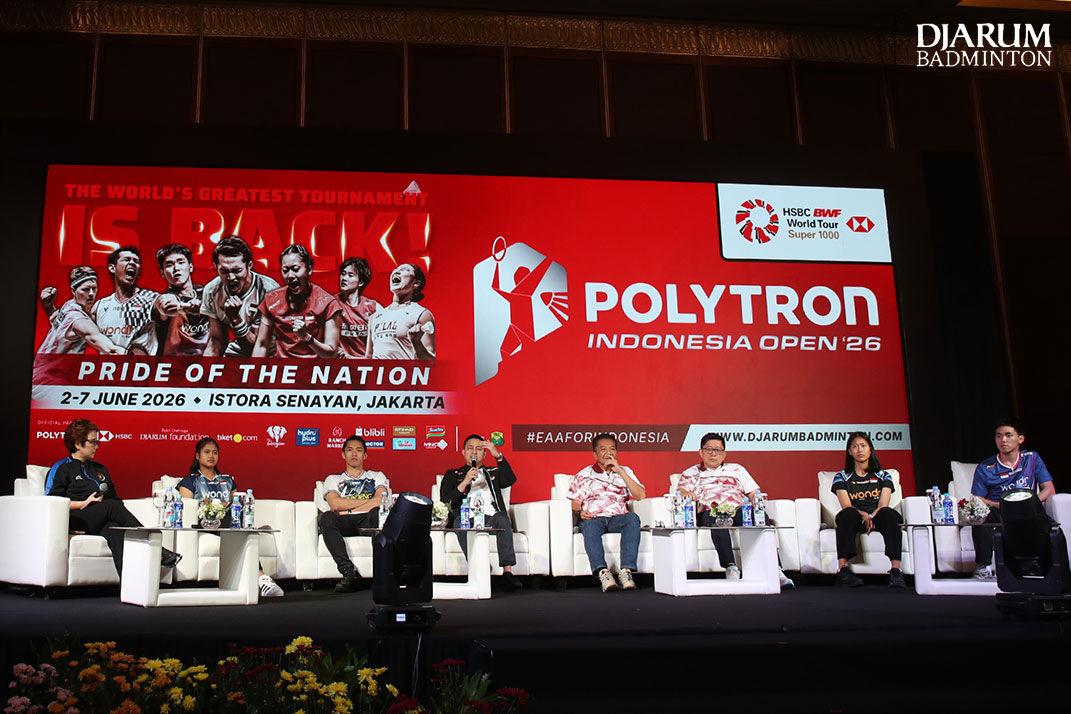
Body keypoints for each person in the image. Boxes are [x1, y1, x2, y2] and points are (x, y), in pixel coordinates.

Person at [45, 418, 180, 576]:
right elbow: (54, 503)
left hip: (101, 518)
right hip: (76, 518)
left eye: (97, 442)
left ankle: (129, 584)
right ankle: (157, 549)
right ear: (77, 444)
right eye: (93, 442)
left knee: (114, 530)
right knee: (110, 506)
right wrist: (83, 503)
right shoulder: (61, 469)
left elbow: (115, 499)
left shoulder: (100, 469)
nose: (97, 446)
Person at [676, 433, 794, 587]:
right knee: (718, 518)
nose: (713, 454)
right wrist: (687, 494)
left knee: (758, 516)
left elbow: (754, 492)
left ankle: (775, 569)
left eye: (718, 450)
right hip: (709, 509)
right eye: (709, 449)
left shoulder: (737, 469)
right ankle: (731, 568)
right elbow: (681, 491)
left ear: (724, 453)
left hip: (737, 508)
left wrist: (756, 504)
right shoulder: (691, 473)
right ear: (701, 452)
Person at [176, 437, 284, 598]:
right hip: (203, 523)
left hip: (227, 522)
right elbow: (187, 510)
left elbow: (237, 504)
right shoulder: (190, 481)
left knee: (237, 523)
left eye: (215, 453)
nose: (211, 456)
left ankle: (261, 580)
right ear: (198, 456)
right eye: (207, 452)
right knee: (238, 527)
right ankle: (261, 577)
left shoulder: (227, 481)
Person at [969, 417, 1055, 581]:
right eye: (999, 436)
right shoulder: (985, 467)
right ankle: (984, 567)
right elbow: (977, 499)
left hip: (1028, 509)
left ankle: (1047, 567)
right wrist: (994, 504)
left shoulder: (1031, 458)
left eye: (1008, 435)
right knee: (980, 517)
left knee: (1047, 522)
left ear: (1020, 439)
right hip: (1000, 510)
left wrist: (1029, 503)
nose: (1003, 440)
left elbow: (1049, 489)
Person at [440, 434, 522, 591]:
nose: (474, 452)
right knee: (459, 522)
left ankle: (507, 572)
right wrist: (465, 482)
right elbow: (446, 502)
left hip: (491, 518)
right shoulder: (452, 474)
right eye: (470, 448)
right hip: (466, 517)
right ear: (463, 452)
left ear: (484, 454)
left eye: (479, 449)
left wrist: (497, 455)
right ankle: (482, 568)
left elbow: (509, 480)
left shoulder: (493, 472)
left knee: (502, 518)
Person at [567, 433, 645, 592]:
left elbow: (640, 495)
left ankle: (626, 571)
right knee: (588, 525)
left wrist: (620, 471)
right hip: (594, 518)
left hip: (618, 518)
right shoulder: (585, 474)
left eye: (612, 449)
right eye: (603, 449)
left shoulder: (626, 471)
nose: (608, 453)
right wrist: (581, 513)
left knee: (632, 518)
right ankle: (603, 572)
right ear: (595, 454)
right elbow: (575, 503)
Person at [830, 432, 905, 588]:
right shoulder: (841, 477)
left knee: (888, 513)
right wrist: (863, 515)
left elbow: (883, 504)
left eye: (863, 446)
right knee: (847, 514)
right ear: (850, 451)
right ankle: (843, 570)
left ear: (870, 450)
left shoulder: (884, 476)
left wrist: (871, 516)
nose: (860, 450)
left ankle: (896, 570)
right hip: (855, 516)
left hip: (878, 515)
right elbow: (846, 505)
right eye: (855, 446)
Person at [318, 435, 389, 593]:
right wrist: (368, 502)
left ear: (365, 455)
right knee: (327, 517)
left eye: (359, 450)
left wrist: (350, 509)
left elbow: (380, 501)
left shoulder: (377, 476)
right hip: (346, 523)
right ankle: (348, 572)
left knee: (377, 513)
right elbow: (335, 504)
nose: (354, 454)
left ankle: (382, 573)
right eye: (350, 450)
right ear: (343, 454)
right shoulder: (333, 479)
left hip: (369, 520)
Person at [252, 244, 342, 358]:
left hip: (314, 367)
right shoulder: (271, 299)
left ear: (309, 270)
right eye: (285, 270)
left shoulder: (328, 303)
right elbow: (262, 345)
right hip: (282, 366)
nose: (290, 275)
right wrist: (253, 369)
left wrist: (306, 338)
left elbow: (332, 354)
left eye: (295, 269)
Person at [201, 235, 280, 357]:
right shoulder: (212, 291)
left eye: (237, 271)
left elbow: (257, 347)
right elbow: (217, 341)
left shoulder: (269, 291)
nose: (231, 278)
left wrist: (236, 319)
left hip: (270, 354)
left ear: (249, 265)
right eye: (224, 271)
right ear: (216, 267)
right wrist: (204, 367)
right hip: (236, 352)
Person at [37, 266, 123, 355]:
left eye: (94, 288)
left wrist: (49, 307)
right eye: (85, 289)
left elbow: (55, 320)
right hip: (49, 364)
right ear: (73, 290)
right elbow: (110, 349)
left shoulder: (68, 305)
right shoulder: (78, 320)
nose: (91, 293)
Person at [91, 246, 160, 354]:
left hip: (139, 363)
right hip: (107, 364)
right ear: (112, 268)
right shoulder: (99, 306)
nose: (132, 263)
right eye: (127, 259)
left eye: (136, 261)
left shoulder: (152, 299)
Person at [366, 263, 435, 360]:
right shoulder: (375, 317)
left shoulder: (421, 314)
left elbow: (431, 362)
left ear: (416, 283)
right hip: (379, 370)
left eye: (405, 270)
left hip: (404, 369)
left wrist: (417, 343)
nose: (397, 271)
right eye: (396, 269)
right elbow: (368, 358)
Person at [151, 244, 210, 356]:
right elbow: (166, 305)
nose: (176, 268)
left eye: (181, 262)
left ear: (191, 267)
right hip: (174, 362)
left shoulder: (205, 293)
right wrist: (186, 308)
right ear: (162, 273)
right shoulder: (167, 297)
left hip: (207, 361)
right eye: (169, 265)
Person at [336, 257, 381, 358]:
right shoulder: (332, 303)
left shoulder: (373, 308)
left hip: (366, 363)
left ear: (361, 282)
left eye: (350, 275)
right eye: (343, 274)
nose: (344, 278)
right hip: (340, 363)